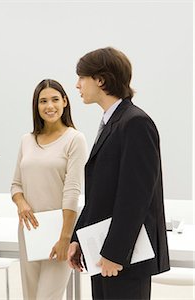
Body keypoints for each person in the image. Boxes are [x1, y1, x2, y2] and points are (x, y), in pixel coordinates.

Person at [67, 47, 170, 299]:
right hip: (102, 251)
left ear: (100, 80)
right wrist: (77, 238)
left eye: (82, 77)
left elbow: (135, 198)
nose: (77, 84)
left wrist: (115, 253)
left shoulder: (135, 122)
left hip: (124, 257)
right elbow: (101, 194)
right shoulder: (112, 122)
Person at [11, 79, 87, 300]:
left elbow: (72, 191)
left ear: (65, 101)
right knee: (31, 296)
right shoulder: (27, 140)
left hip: (59, 233)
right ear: (36, 106)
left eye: (55, 99)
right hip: (29, 231)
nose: (49, 106)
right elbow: (16, 184)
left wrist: (65, 237)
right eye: (43, 101)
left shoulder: (75, 139)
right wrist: (21, 203)